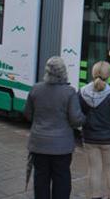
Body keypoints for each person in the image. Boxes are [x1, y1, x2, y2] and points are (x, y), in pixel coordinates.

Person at [24, 56, 85, 199]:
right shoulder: (69, 92)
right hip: (62, 148)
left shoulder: (36, 89)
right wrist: (85, 118)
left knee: (41, 179)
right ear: (64, 72)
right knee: (62, 179)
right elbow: (76, 120)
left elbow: (27, 114)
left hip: (39, 145)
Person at [79, 61, 110, 199]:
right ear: (109, 76)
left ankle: (95, 196)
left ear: (92, 73)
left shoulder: (82, 92)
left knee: (94, 170)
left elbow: (77, 114)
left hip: (90, 138)